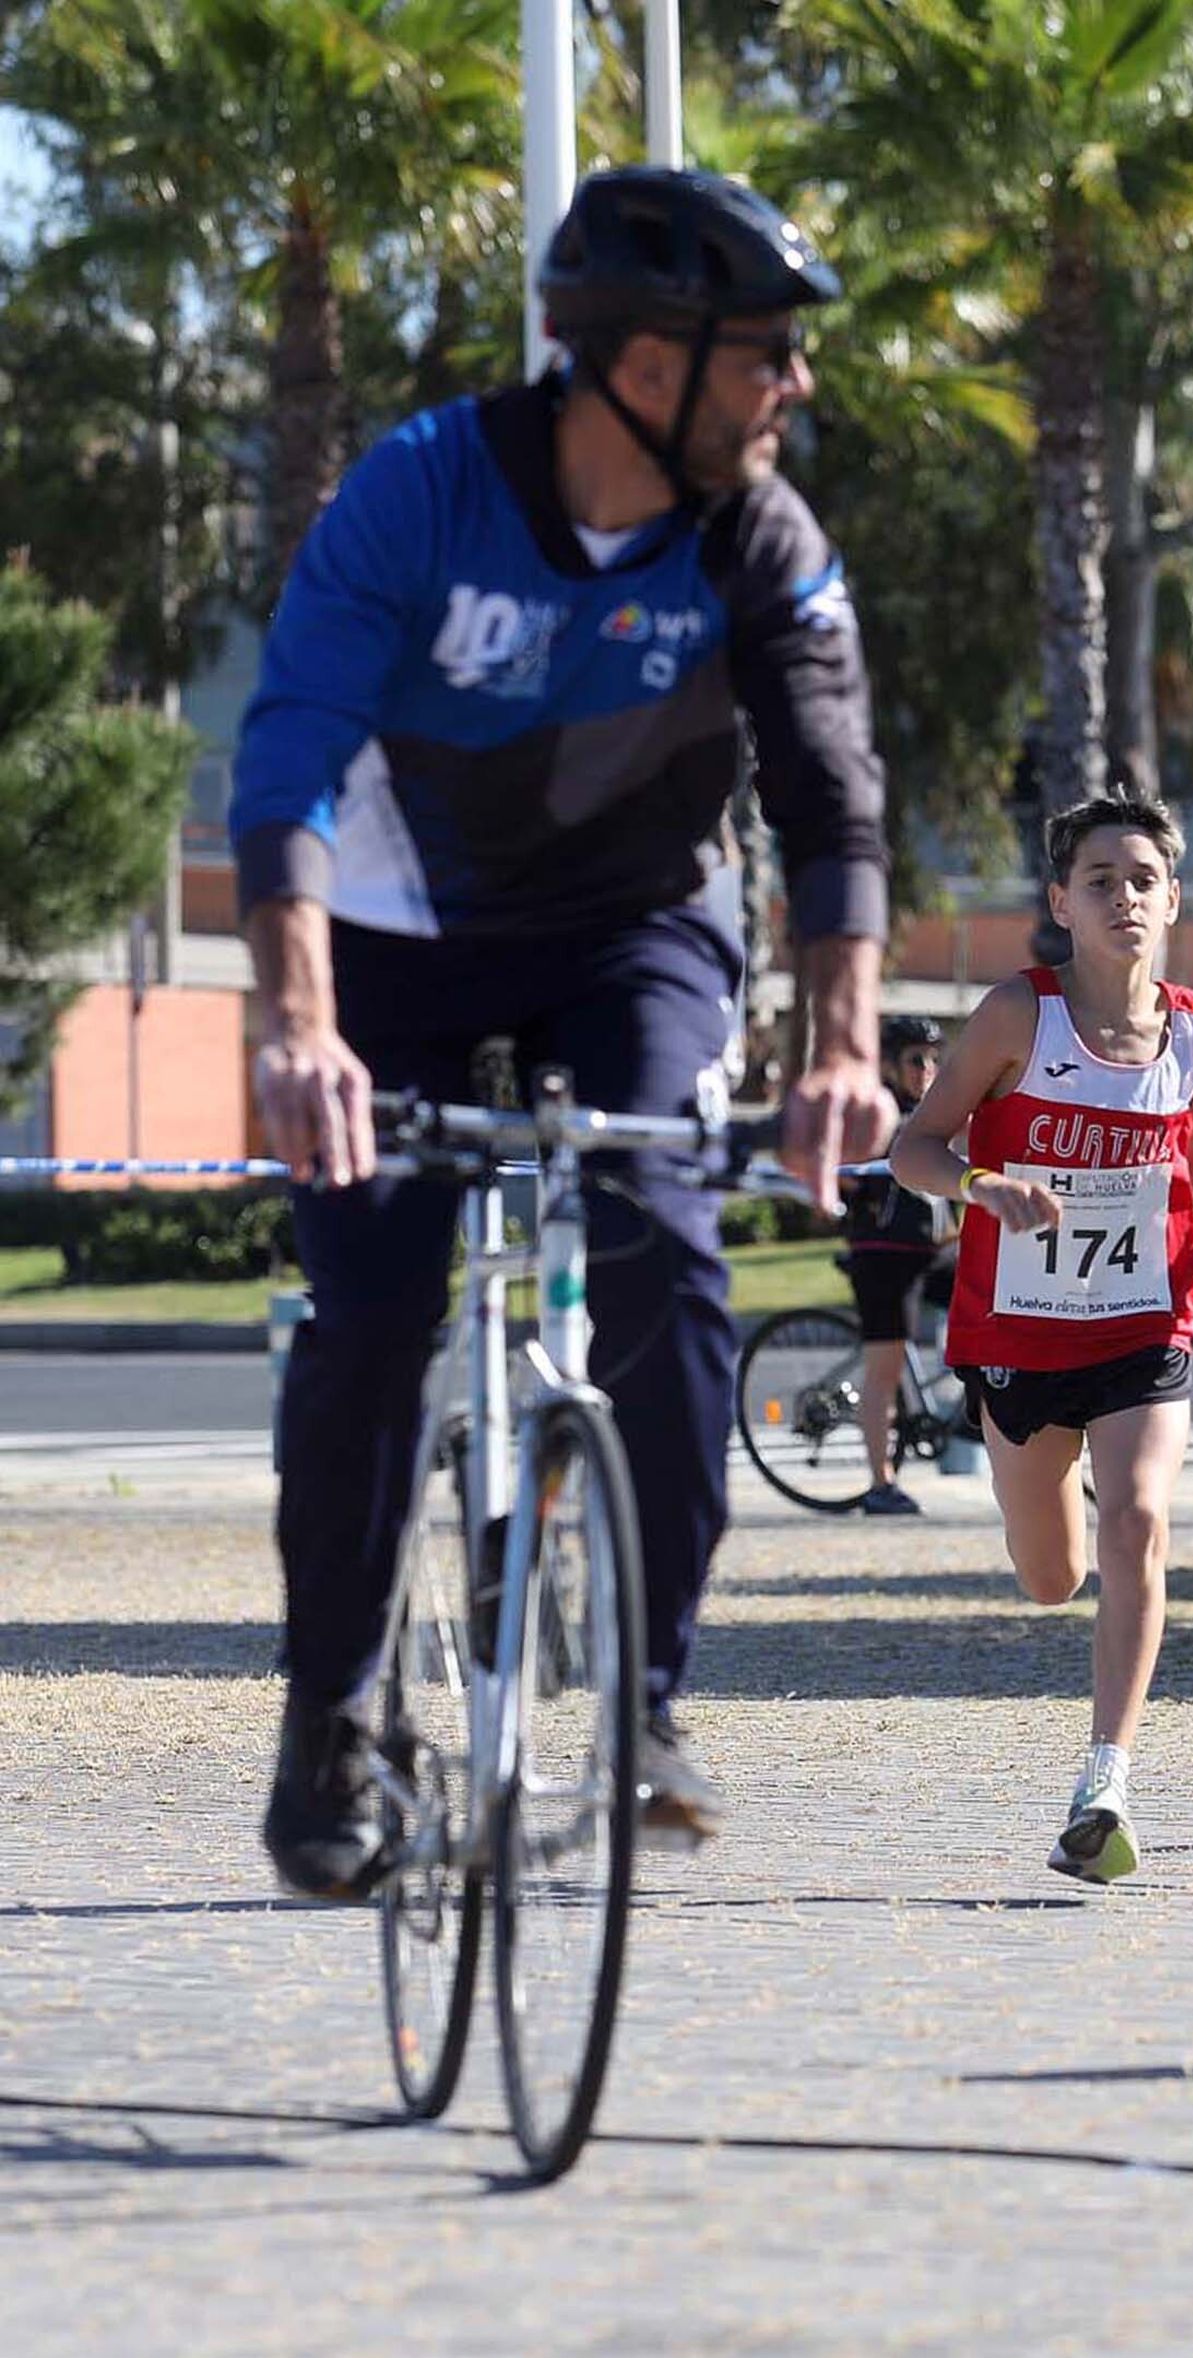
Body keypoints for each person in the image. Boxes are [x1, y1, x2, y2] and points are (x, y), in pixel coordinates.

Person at [229, 166, 894, 1896]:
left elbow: (831, 804)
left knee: (669, 1251)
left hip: (638, 931)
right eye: (764, 354)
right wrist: (298, 1027)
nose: (793, 387)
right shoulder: (420, 494)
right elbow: (287, 754)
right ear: (645, 364)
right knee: (371, 1316)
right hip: (399, 937)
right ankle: (331, 1713)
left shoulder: (761, 536)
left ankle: (648, 1698)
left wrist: (838, 1046)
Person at [890, 790, 1193, 1883]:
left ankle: (1104, 1778)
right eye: (1099, 879)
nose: (1123, 895)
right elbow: (913, 1147)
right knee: (1048, 1577)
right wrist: (986, 1184)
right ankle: (1051, 1492)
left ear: (1171, 899)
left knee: (1136, 1522)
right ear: (1060, 903)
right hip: (1018, 1334)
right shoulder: (1015, 1017)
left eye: (1141, 878)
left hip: (1144, 1325)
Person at [841, 1014, 955, 1515]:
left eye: (934, 1059)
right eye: (915, 1060)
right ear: (888, 1064)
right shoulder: (875, 1110)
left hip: (932, 1249)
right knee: (884, 1368)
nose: (926, 1069)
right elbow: (844, 1178)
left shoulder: (933, 1111)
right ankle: (879, 1482)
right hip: (884, 1253)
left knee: (994, 1300)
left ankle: (973, 1410)